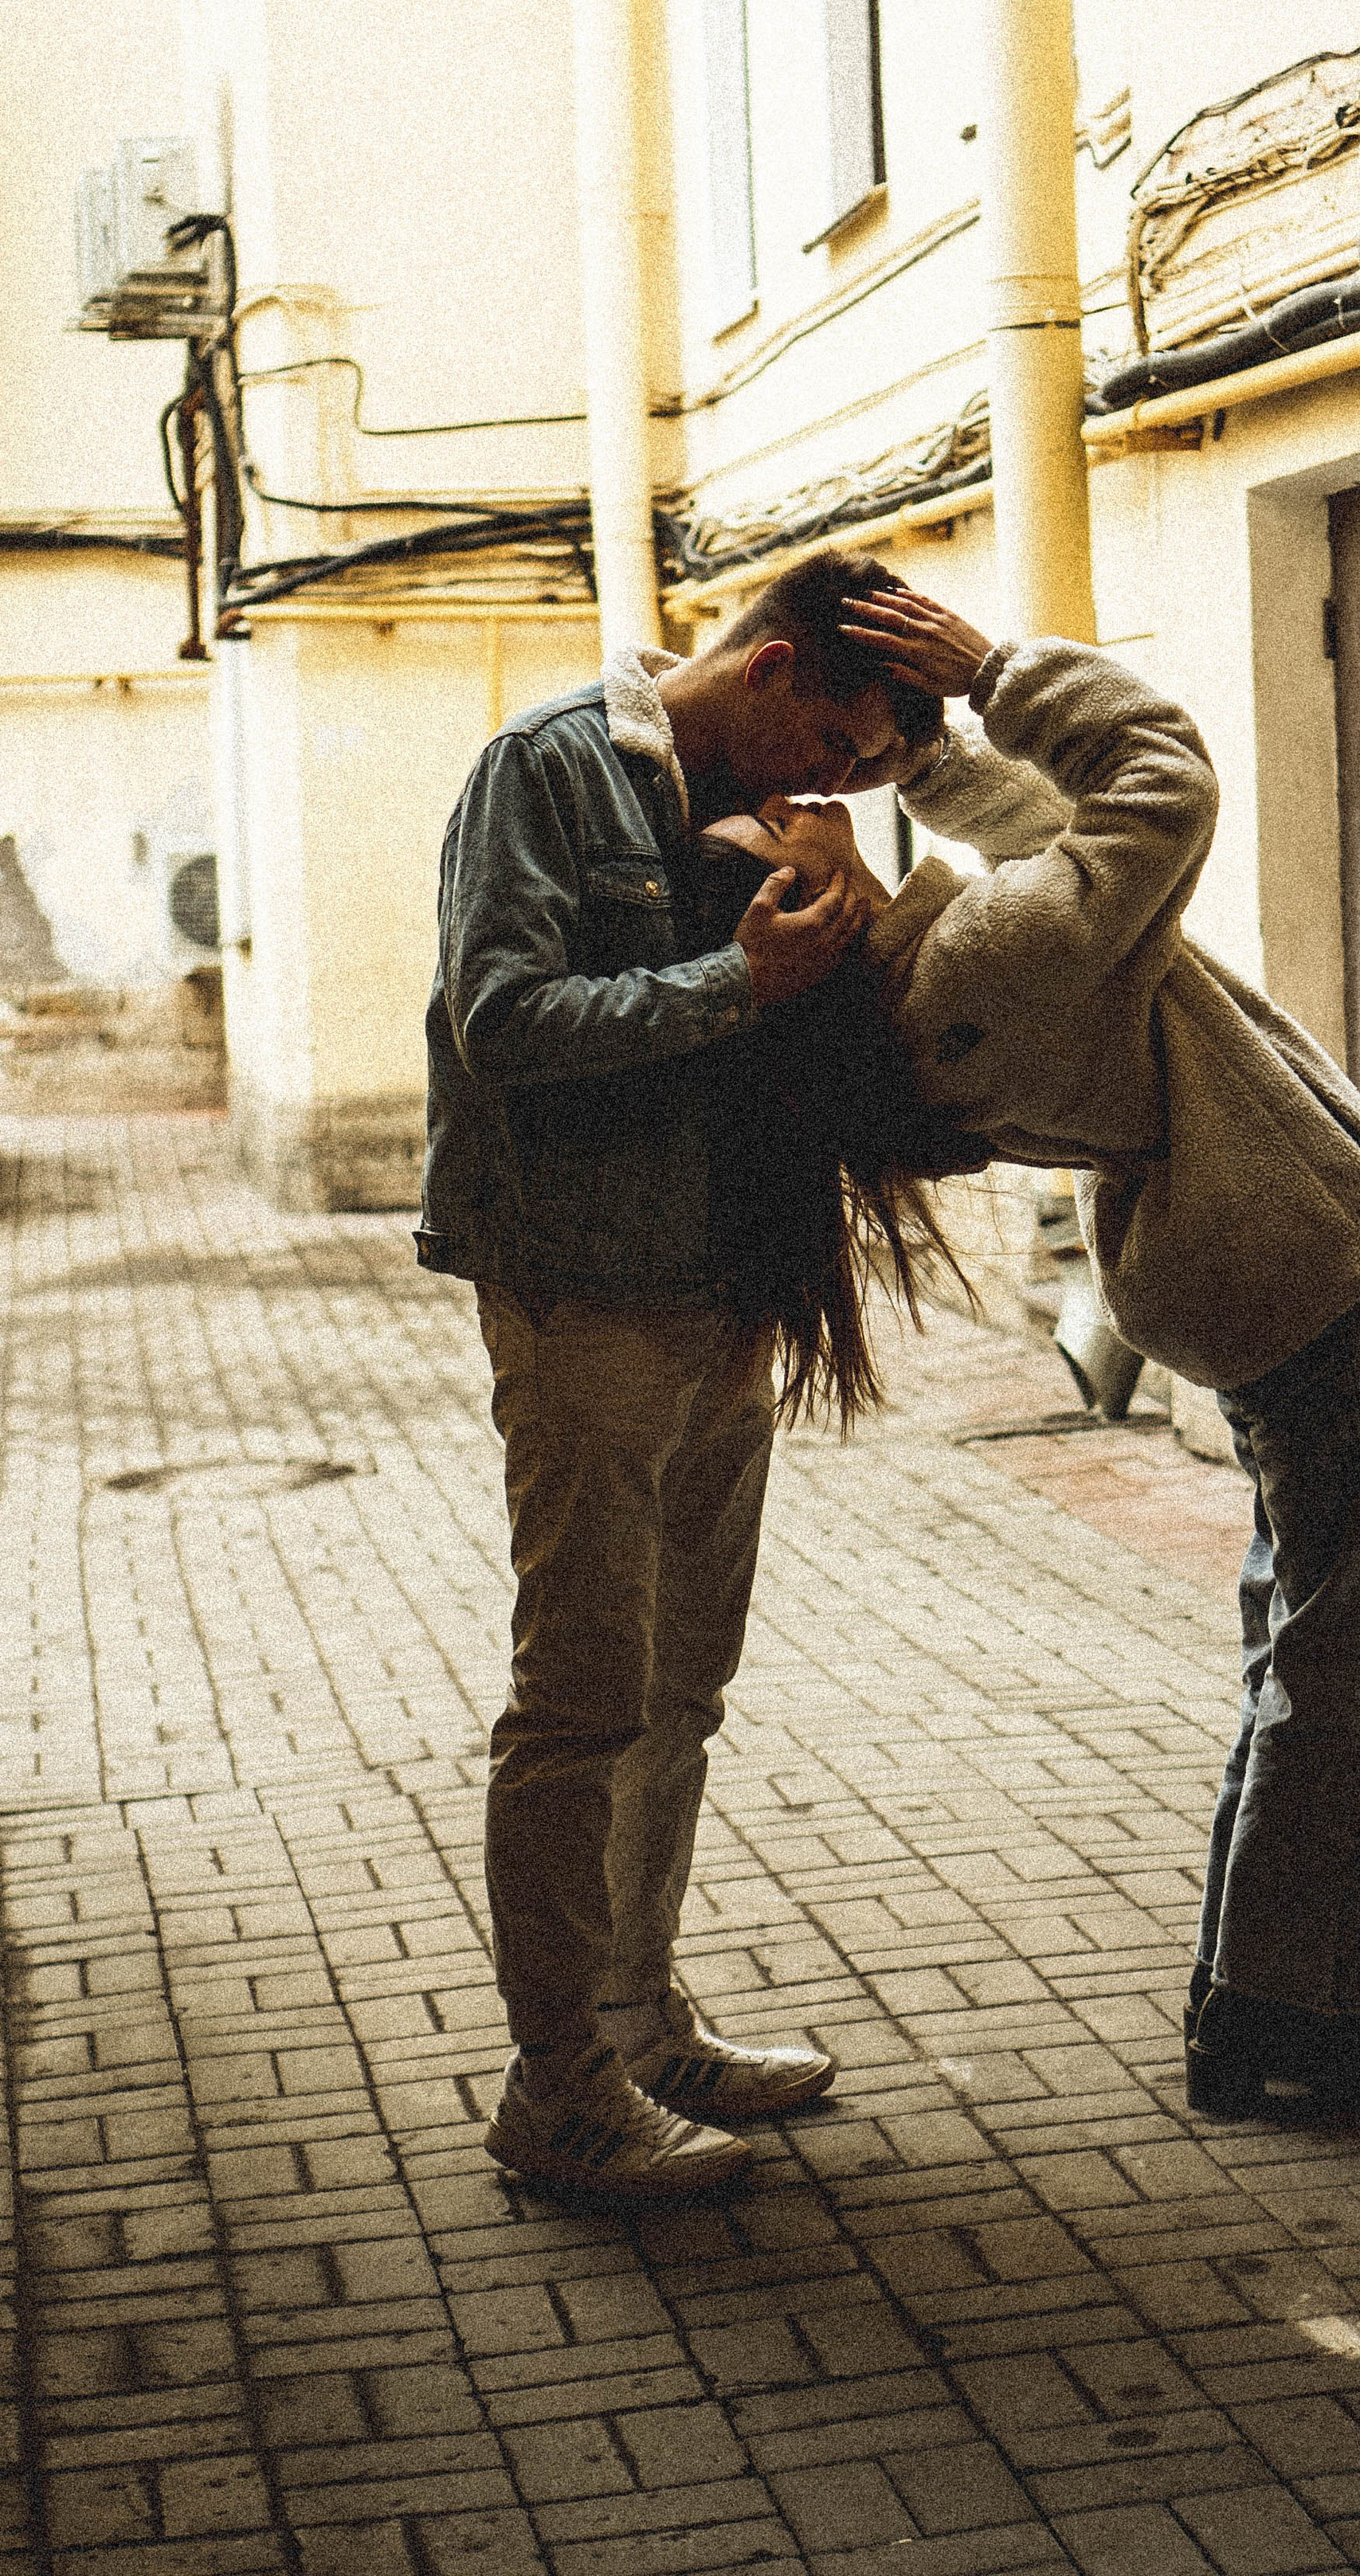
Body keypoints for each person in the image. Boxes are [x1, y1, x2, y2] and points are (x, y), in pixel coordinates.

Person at [704, 582, 1360, 2119]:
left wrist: (919, 763)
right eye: (777, 830)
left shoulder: (933, 983)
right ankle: (1281, 2013)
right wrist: (995, 672)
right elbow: (1153, 783)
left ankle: (1279, 1985)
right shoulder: (979, 972)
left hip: (1249, 1264)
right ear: (807, 913)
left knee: (1317, 1628)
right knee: (1353, 1646)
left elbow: (1040, 844)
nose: (801, 803)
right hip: (1287, 1265)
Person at [418, 549, 944, 2203]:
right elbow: (500, 1022)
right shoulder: (548, 768)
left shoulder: (750, 812)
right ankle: (558, 2090)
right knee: (579, 1700)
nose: (831, 788)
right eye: (838, 750)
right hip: (585, 1294)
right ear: (773, 668)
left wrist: (834, 914)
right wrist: (742, 979)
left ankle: (639, 2025)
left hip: (723, 1295)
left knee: (681, 1692)